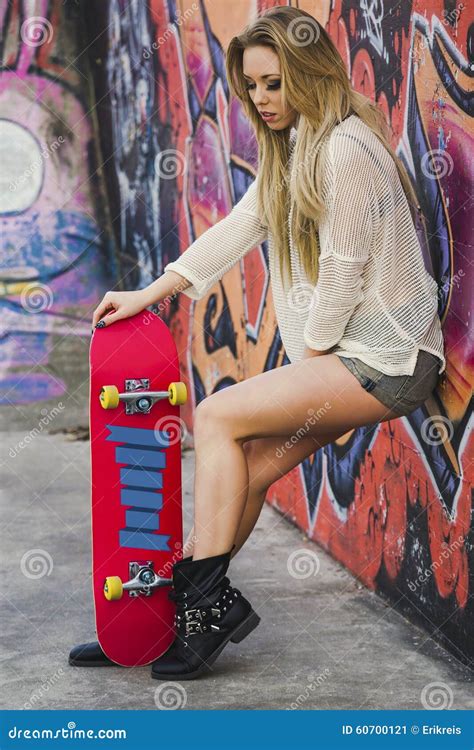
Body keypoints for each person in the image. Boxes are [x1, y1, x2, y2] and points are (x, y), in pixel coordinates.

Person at [69, 6, 445, 680]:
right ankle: (172, 618)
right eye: (253, 87)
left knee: (216, 416)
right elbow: (238, 227)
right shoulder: (300, 141)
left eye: (275, 83)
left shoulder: (345, 148)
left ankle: (204, 611)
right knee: (249, 462)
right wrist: (149, 293)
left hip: (386, 359)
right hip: (356, 357)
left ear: (309, 72)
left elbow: (342, 271)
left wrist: (306, 365)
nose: (263, 100)